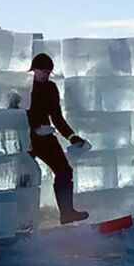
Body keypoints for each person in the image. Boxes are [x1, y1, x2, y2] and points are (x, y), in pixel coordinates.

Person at [26, 52, 89, 224]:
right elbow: (15, 113)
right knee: (23, 177)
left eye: (48, 72)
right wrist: (33, 130)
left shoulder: (51, 88)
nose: (46, 75)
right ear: (34, 69)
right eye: (43, 71)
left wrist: (72, 136)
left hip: (45, 137)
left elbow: (57, 117)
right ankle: (21, 219)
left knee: (64, 171)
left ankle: (67, 213)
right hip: (25, 138)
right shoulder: (24, 86)